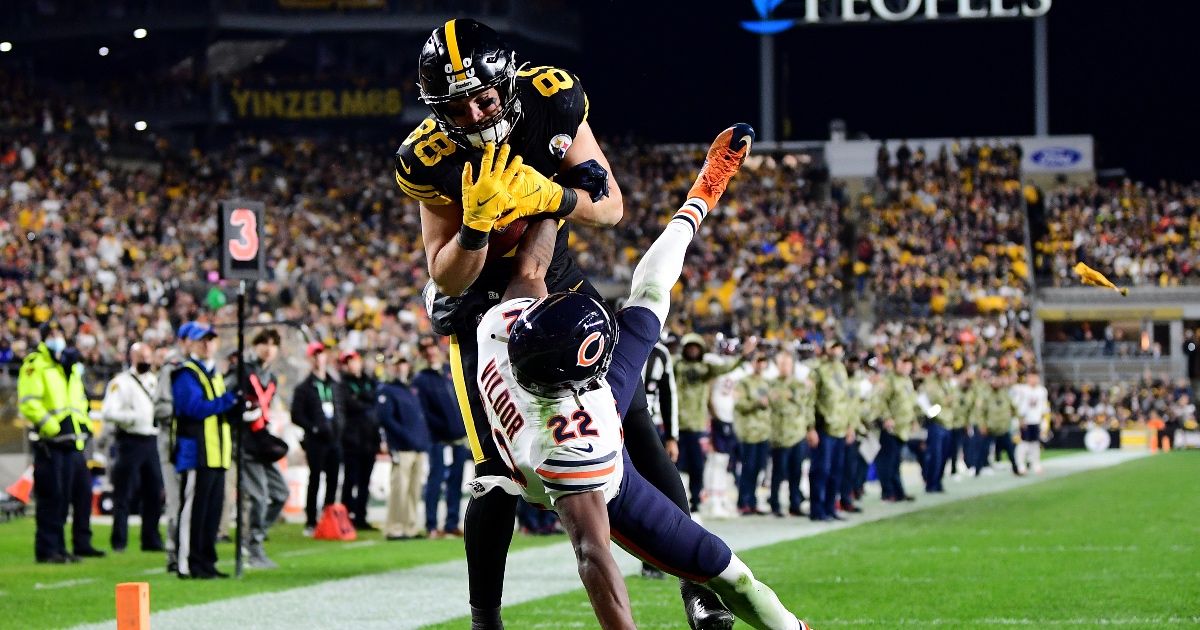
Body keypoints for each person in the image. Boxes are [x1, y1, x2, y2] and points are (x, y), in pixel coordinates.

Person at [398, 19, 726, 628]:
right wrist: (475, 226)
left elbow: (611, 205)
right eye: (456, 104)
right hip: (480, 314)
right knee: (496, 474)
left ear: (508, 82)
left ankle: (698, 589)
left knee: (636, 432)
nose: (472, 113)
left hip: (563, 290)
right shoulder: (427, 156)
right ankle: (485, 618)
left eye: (484, 97)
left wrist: (545, 197)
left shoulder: (552, 96)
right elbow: (446, 276)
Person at [468, 124, 811, 630]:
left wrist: (555, 198)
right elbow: (593, 558)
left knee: (651, 292)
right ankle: (485, 618)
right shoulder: (569, 443)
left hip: (563, 400)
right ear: (590, 371)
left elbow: (533, 267)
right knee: (730, 571)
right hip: (602, 477)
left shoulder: (501, 328)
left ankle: (702, 194)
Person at [19, 320, 105, 563]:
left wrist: (84, 426)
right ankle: (48, 550)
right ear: (44, 337)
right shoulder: (37, 365)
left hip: (72, 442)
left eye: (60, 333)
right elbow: (28, 402)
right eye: (52, 333)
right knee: (51, 497)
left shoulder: (65, 366)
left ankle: (69, 546)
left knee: (74, 495)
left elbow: (77, 401)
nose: (57, 337)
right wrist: (52, 426)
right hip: (51, 442)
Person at [172, 322, 240, 579]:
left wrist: (235, 409)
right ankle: (188, 563)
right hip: (197, 453)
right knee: (194, 512)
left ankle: (207, 561)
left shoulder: (214, 374)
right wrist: (227, 401)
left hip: (217, 452)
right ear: (192, 344)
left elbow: (218, 413)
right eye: (202, 340)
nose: (207, 345)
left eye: (211, 340)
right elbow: (193, 408)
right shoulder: (186, 373)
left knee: (212, 512)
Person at [675, 335, 750, 515]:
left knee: (697, 466)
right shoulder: (676, 366)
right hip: (676, 424)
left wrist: (742, 357)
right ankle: (674, 500)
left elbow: (725, 368)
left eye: (696, 347)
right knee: (673, 466)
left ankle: (695, 500)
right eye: (690, 347)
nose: (693, 351)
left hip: (698, 425)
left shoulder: (706, 368)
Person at [102, 342, 164, 553]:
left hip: (152, 440)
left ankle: (151, 539)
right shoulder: (121, 382)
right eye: (141, 357)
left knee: (154, 492)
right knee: (123, 493)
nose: (146, 361)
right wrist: (133, 418)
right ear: (132, 358)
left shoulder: (154, 381)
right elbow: (108, 412)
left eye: (148, 356)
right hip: (130, 441)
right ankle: (119, 541)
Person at [238, 328, 290, 569]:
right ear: (255, 345)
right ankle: (254, 549)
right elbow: (230, 398)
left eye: (273, 344)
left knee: (280, 494)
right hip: (245, 442)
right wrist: (243, 411)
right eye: (264, 343)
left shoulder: (270, 376)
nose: (268, 349)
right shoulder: (242, 370)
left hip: (262, 440)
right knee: (258, 498)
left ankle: (253, 539)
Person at [412, 337, 472, 539]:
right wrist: (445, 429)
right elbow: (424, 412)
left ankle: (451, 522)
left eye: (432, 347)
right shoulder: (421, 379)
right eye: (425, 348)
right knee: (435, 482)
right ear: (421, 353)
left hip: (459, 439)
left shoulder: (450, 371)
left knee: (456, 482)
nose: (430, 352)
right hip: (439, 440)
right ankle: (431, 524)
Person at [291, 342, 345, 536]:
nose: (318, 358)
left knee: (333, 480)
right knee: (314, 479)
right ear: (310, 358)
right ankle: (311, 520)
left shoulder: (334, 384)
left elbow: (340, 408)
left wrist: (340, 428)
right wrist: (313, 428)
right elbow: (296, 415)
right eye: (315, 355)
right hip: (316, 440)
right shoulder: (304, 387)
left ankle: (328, 517)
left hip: (334, 439)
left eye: (321, 354)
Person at [376, 355, 431, 540]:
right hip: (402, 447)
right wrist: (407, 437)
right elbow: (386, 419)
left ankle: (409, 526)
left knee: (414, 489)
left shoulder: (410, 389)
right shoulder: (387, 389)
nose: (401, 368)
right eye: (397, 364)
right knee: (399, 488)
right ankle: (394, 528)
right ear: (390, 367)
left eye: (403, 363)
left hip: (417, 447)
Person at [154, 323, 194, 573]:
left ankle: (187, 551)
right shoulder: (173, 368)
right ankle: (173, 553)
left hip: (193, 443)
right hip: (173, 443)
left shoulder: (198, 367)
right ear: (184, 341)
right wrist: (187, 409)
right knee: (176, 503)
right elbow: (159, 409)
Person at [809, 340, 853, 521]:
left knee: (836, 471)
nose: (837, 350)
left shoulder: (841, 369)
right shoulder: (817, 370)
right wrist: (810, 427)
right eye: (833, 347)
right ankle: (816, 509)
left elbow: (846, 400)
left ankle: (830, 507)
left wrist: (850, 425)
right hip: (824, 427)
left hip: (840, 428)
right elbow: (810, 400)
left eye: (839, 347)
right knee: (821, 470)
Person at [338, 349, 381, 531]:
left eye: (354, 360)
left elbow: (375, 402)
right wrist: (365, 403)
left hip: (370, 438)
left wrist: (362, 401)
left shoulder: (370, 381)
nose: (352, 364)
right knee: (350, 480)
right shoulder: (343, 384)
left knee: (365, 481)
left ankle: (361, 517)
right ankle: (346, 517)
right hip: (352, 439)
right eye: (348, 362)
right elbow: (350, 404)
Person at [768, 351, 813, 518]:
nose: (785, 367)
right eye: (782, 364)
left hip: (798, 434)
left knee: (796, 472)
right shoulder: (771, 384)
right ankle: (775, 504)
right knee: (778, 473)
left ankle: (795, 503)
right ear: (778, 366)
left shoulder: (798, 385)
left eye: (788, 364)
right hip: (780, 436)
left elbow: (805, 402)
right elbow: (773, 402)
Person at [733, 354, 773, 515]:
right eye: (758, 361)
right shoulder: (744, 383)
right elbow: (739, 404)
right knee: (747, 469)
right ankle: (743, 501)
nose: (761, 364)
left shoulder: (767, 383)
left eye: (764, 361)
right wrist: (757, 403)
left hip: (764, 432)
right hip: (749, 432)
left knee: (758, 469)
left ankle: (753, 500)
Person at [877, 354, 918, 502]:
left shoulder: (907, 381)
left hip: (903, 428)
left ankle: (898, 491)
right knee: (888, 462)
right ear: (896, 364)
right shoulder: (889, 380)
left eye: (909, 363)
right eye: (903, 362)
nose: (906, 366)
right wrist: (886, 417)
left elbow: (909, 402)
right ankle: (887, 492)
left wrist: (913, 419)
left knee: (895, 462)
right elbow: (881, 400)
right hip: (891, 427)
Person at [920, 362, 958, 493]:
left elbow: (954, 399)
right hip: (936, 421)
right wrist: (944, 400)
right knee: (935, 455)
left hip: (948, 422)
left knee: (945, 455)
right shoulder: (931, 382)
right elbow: (932, 399)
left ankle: (938, 481)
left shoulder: (947, 383)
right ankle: (931, 483)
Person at [1011, 371, 1048, 474]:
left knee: (1035, 444)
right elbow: (1015, 405)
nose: (1033, 379)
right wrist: (1019, 419)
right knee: (1023, 444)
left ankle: (1035, 464)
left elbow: (1043, 408)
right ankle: (1021, 465)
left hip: (1036, 420)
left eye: (1035, 377)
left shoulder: (1042, 391)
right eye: (1031, 377)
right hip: (1025, 420)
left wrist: (1043, 422)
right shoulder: (1021, 390)